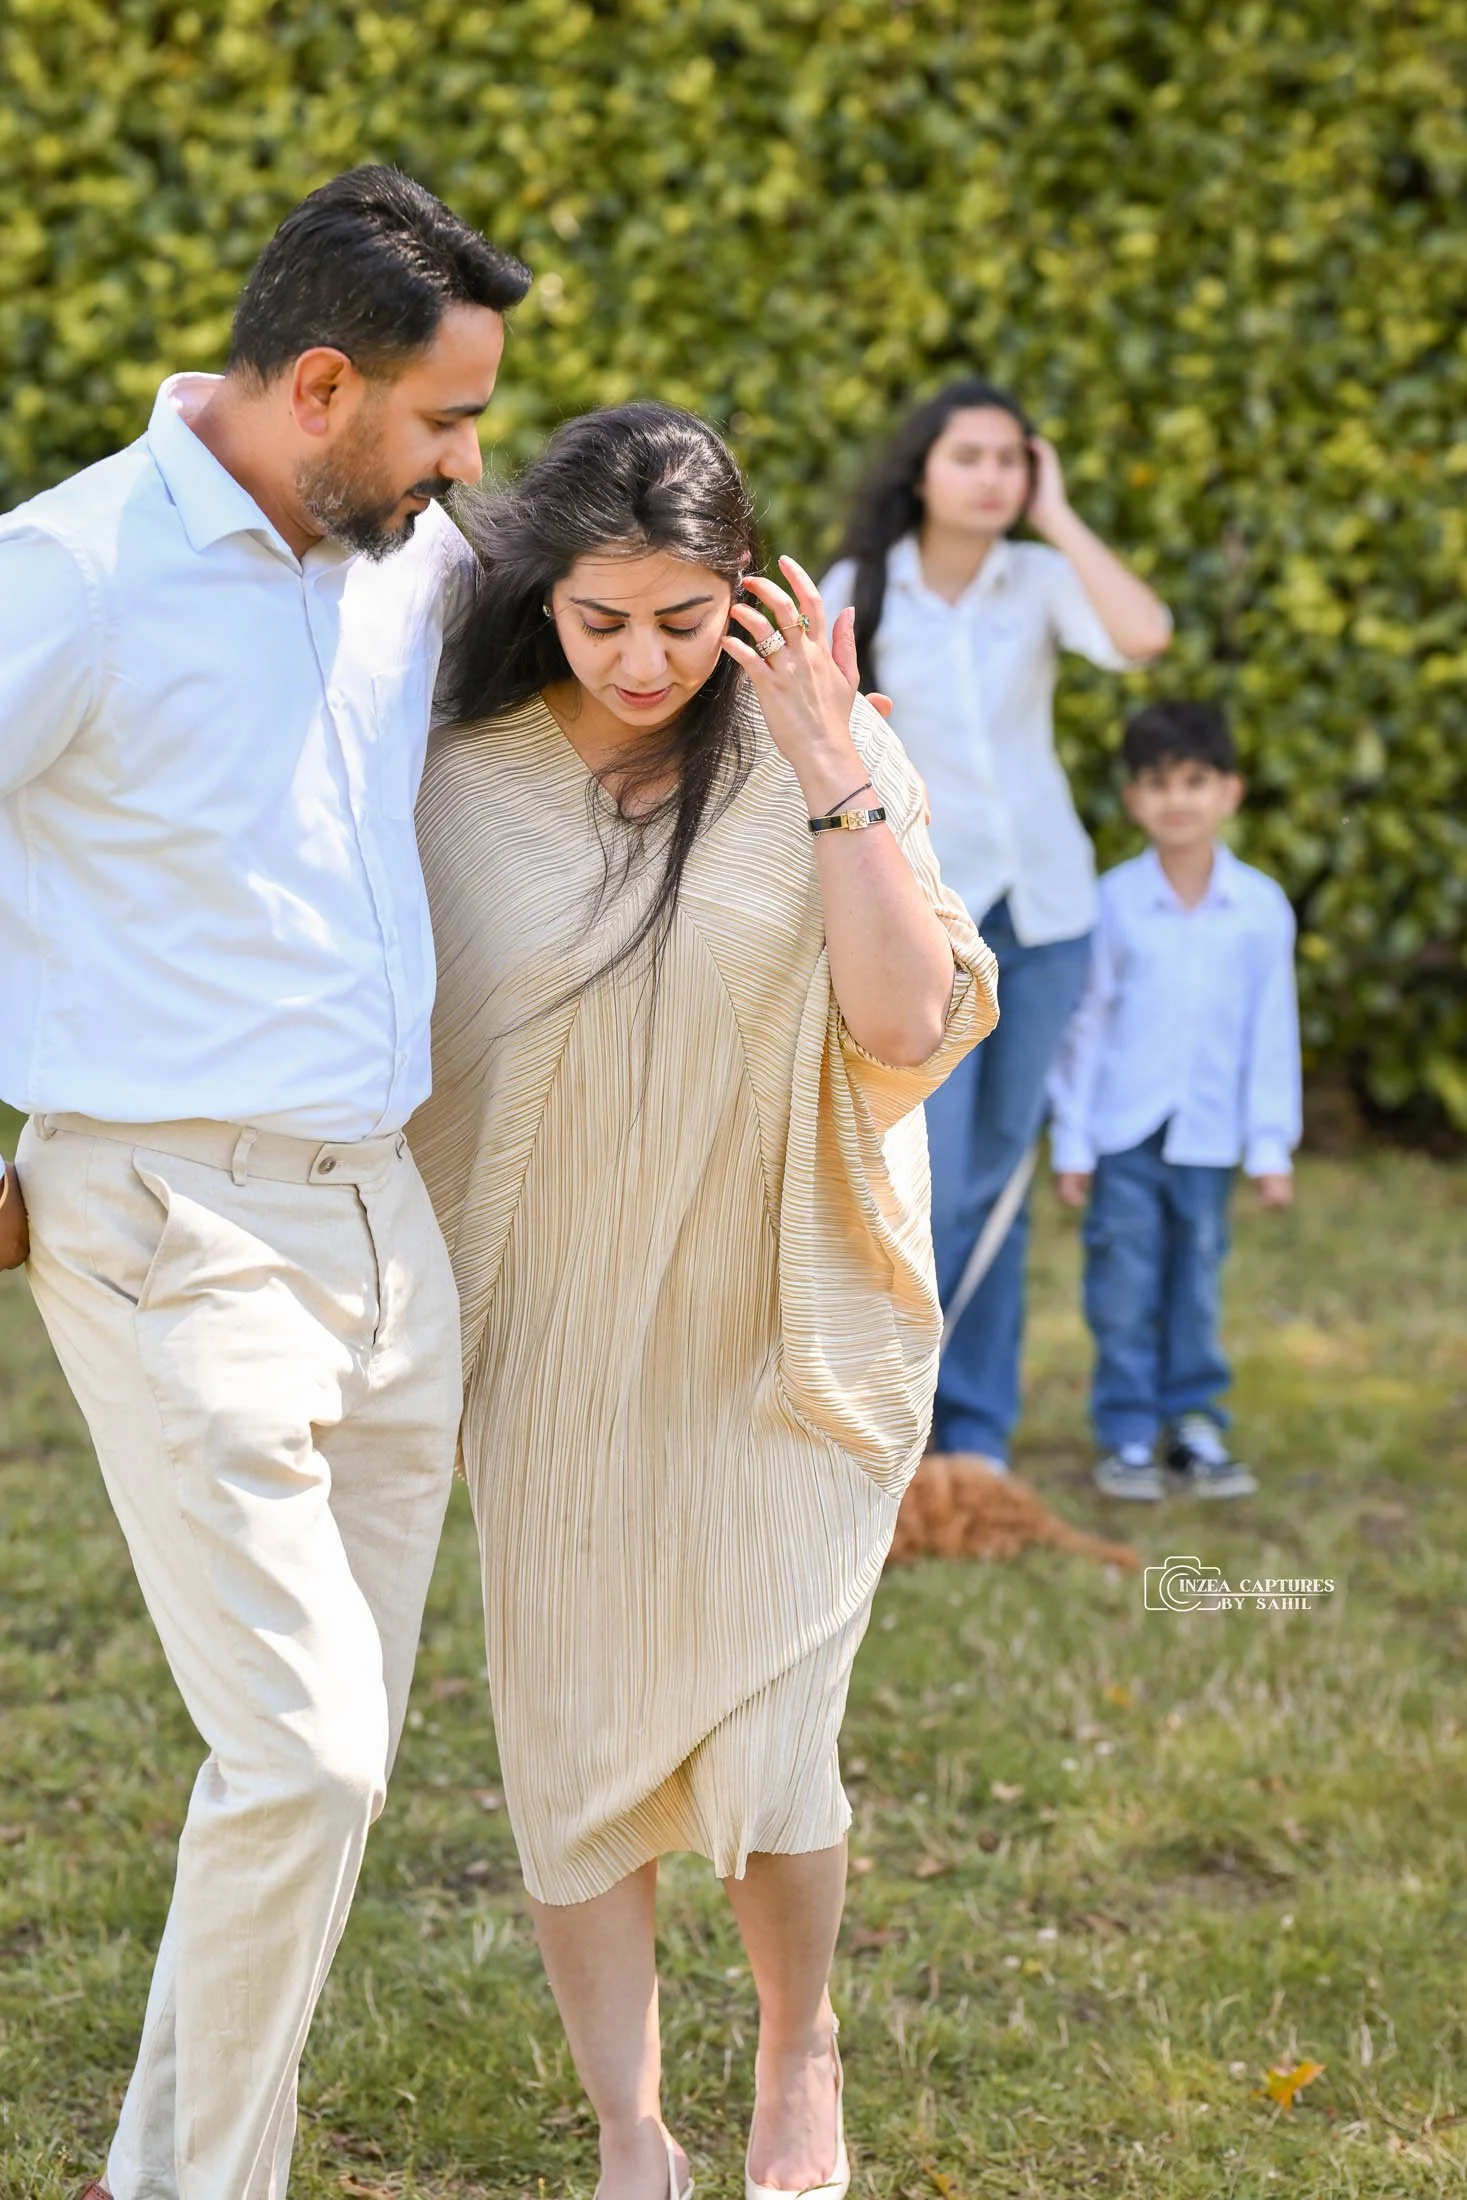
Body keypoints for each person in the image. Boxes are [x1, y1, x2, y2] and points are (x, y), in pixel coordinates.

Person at [0, 168, 530, 2199]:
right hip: (161, 1220)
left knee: (334, 1773)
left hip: (383, 1220)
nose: (472, 461)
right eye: (447, 420)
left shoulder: (396, 554)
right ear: (322, 383)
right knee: (302, 1752)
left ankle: (176, 2168)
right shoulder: (73, 574)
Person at [410, 403, 998, 2200]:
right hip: (559, 1331)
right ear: (542, 596)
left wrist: (831, 771)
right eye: (603, 620)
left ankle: (796, 2053)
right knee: (576, 1738)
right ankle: (626, 2130)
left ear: (743, 597)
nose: (645, 658)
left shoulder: (821, 755)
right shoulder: (452, 771)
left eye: (684, 618)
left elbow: (905, 1029)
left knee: (772, 1742)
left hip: (782, 1319)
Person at [821, 378, 1172, 1475]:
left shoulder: (1042, 576)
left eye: (1012, 460)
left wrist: (1059, 514)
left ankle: (975, 1430)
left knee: (1003, 1179)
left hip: (1050, 912)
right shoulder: (859, 587)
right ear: (921, 466)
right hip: (928, 916)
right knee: (930, 1173)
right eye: (968, 455)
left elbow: (1144, 636)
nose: (992, 477)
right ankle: (895, 1409)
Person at [1047, 701, 1302, 1501]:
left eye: (1196, 782)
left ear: (1230, 792)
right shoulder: (1115, 903)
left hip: (1208, 1137)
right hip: (1124, 1133)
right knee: (1121, 1284)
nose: (1177, 801)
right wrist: (1073, 1142)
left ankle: (1193, 1423)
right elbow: (1084, 1026)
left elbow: (1272, 1031)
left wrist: (1268, 1145)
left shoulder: (1259, 909)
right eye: (1158, 785)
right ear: (1132, 801)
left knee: (1193, 1278)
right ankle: (1125, 1431)